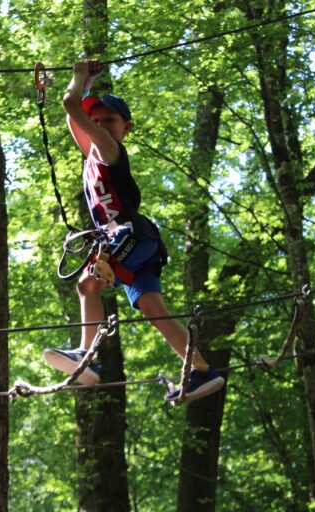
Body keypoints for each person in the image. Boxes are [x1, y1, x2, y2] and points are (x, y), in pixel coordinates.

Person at [42, 60, 225, 403]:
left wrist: (79, 74)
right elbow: (73, 117)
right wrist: (88, 84)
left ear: (125, 128)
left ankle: (88, 356)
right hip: (137, 243)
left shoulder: (110, 151)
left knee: (87, 284)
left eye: (108, 120)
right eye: (95, 121)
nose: (99, 125)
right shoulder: (93, 156)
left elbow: (70, 107)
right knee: (155, 311)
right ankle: (201, 371)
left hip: (129, 236)